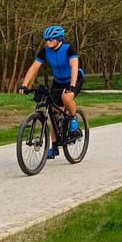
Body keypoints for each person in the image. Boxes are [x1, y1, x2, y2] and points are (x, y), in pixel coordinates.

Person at [18, 25, 85, 159]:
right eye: (46, 39)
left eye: (51, 39)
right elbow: (34, 68)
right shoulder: (45, 51)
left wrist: (72, 86)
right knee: (52, 113)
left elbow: (74, 67)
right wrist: (24, 85)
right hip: (58, 81)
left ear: (59, 39)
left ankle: (73, 119)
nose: (48, 42)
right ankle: (54, 147)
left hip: (74, 78)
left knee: (66, 98)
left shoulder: (68, 49)